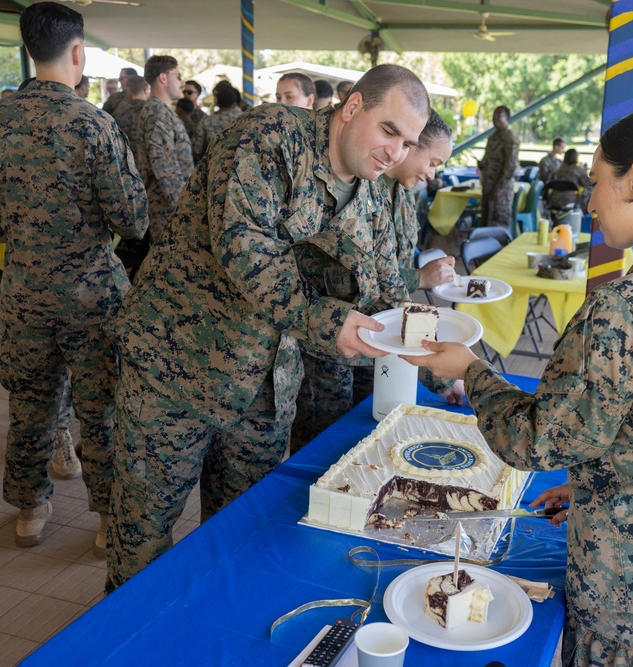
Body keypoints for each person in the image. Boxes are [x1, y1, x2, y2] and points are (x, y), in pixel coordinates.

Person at [405, 104, 633, 666]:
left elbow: (536, 441)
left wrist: (470, 371)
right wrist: (595, 482)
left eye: (598, 183)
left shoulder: (624, 309)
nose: (590, 202)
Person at [107, 63, 431, 591]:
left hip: (263, 389)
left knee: (239, 539)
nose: (395, 151)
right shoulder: (268, 137)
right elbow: (248, 252)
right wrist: (328, 321)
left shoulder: (369, 189)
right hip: (175, 368)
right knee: (142, 540)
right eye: (388, 130)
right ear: (352, 107)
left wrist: (443, 363)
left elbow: (378, 290)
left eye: (407, 142)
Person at [0, 1, 149, 553]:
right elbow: (132, 218)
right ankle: (107, 519)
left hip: (21, 289)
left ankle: (30, 509)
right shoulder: (93, 123)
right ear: (77, 52)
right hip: (91, 293)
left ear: (27, 49)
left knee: (30, 402)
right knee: (102, 410)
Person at [291, 108, 463, 450]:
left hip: (376, 344)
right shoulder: (360, 188)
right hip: (332, 351)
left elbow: (390, 283)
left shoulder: (398, 192)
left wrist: (442, 373)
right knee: (322, 449)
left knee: (368, 445)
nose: (431, 174)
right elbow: (363, 284)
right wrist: (439, 373)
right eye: (432, 162)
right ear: (409, 146)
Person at [136, 55, 193, 243]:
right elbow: (166, 169)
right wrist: (187, 210)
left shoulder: (162, 111)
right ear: (163, 78)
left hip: (171, 208)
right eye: (178, 76)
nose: (182, 83)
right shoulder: (157, 113)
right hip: (168, 210)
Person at [477, 105, 519, 228]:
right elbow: (488, 158)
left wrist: (498, 189)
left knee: (498, 224)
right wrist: (483, 164)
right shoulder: (492, 138)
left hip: (501, 190)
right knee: (485, 223)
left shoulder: (510, 139)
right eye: (494, 115)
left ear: (508, 118)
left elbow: (511, 167)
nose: (495, 118)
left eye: (499, 116)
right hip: (488, 186)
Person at [191, 83, 240, 164]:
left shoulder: (205, 121)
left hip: (213, 168)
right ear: (234, 104)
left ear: (216, 101)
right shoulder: (243, 120)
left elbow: (196, 150)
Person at [111, 74, 149, 158]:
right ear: (146, 90)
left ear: (128, 90)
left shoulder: (119, 111)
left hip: (125, 161)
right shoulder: (150, 112)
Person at [549, 148, 593, 213]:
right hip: (569, 200)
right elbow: (589, 183)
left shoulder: (558, 169)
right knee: (591, 190)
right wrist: (583, 170)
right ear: (576, 158)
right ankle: (587, 213)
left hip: (554, 200)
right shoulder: (577, 170)